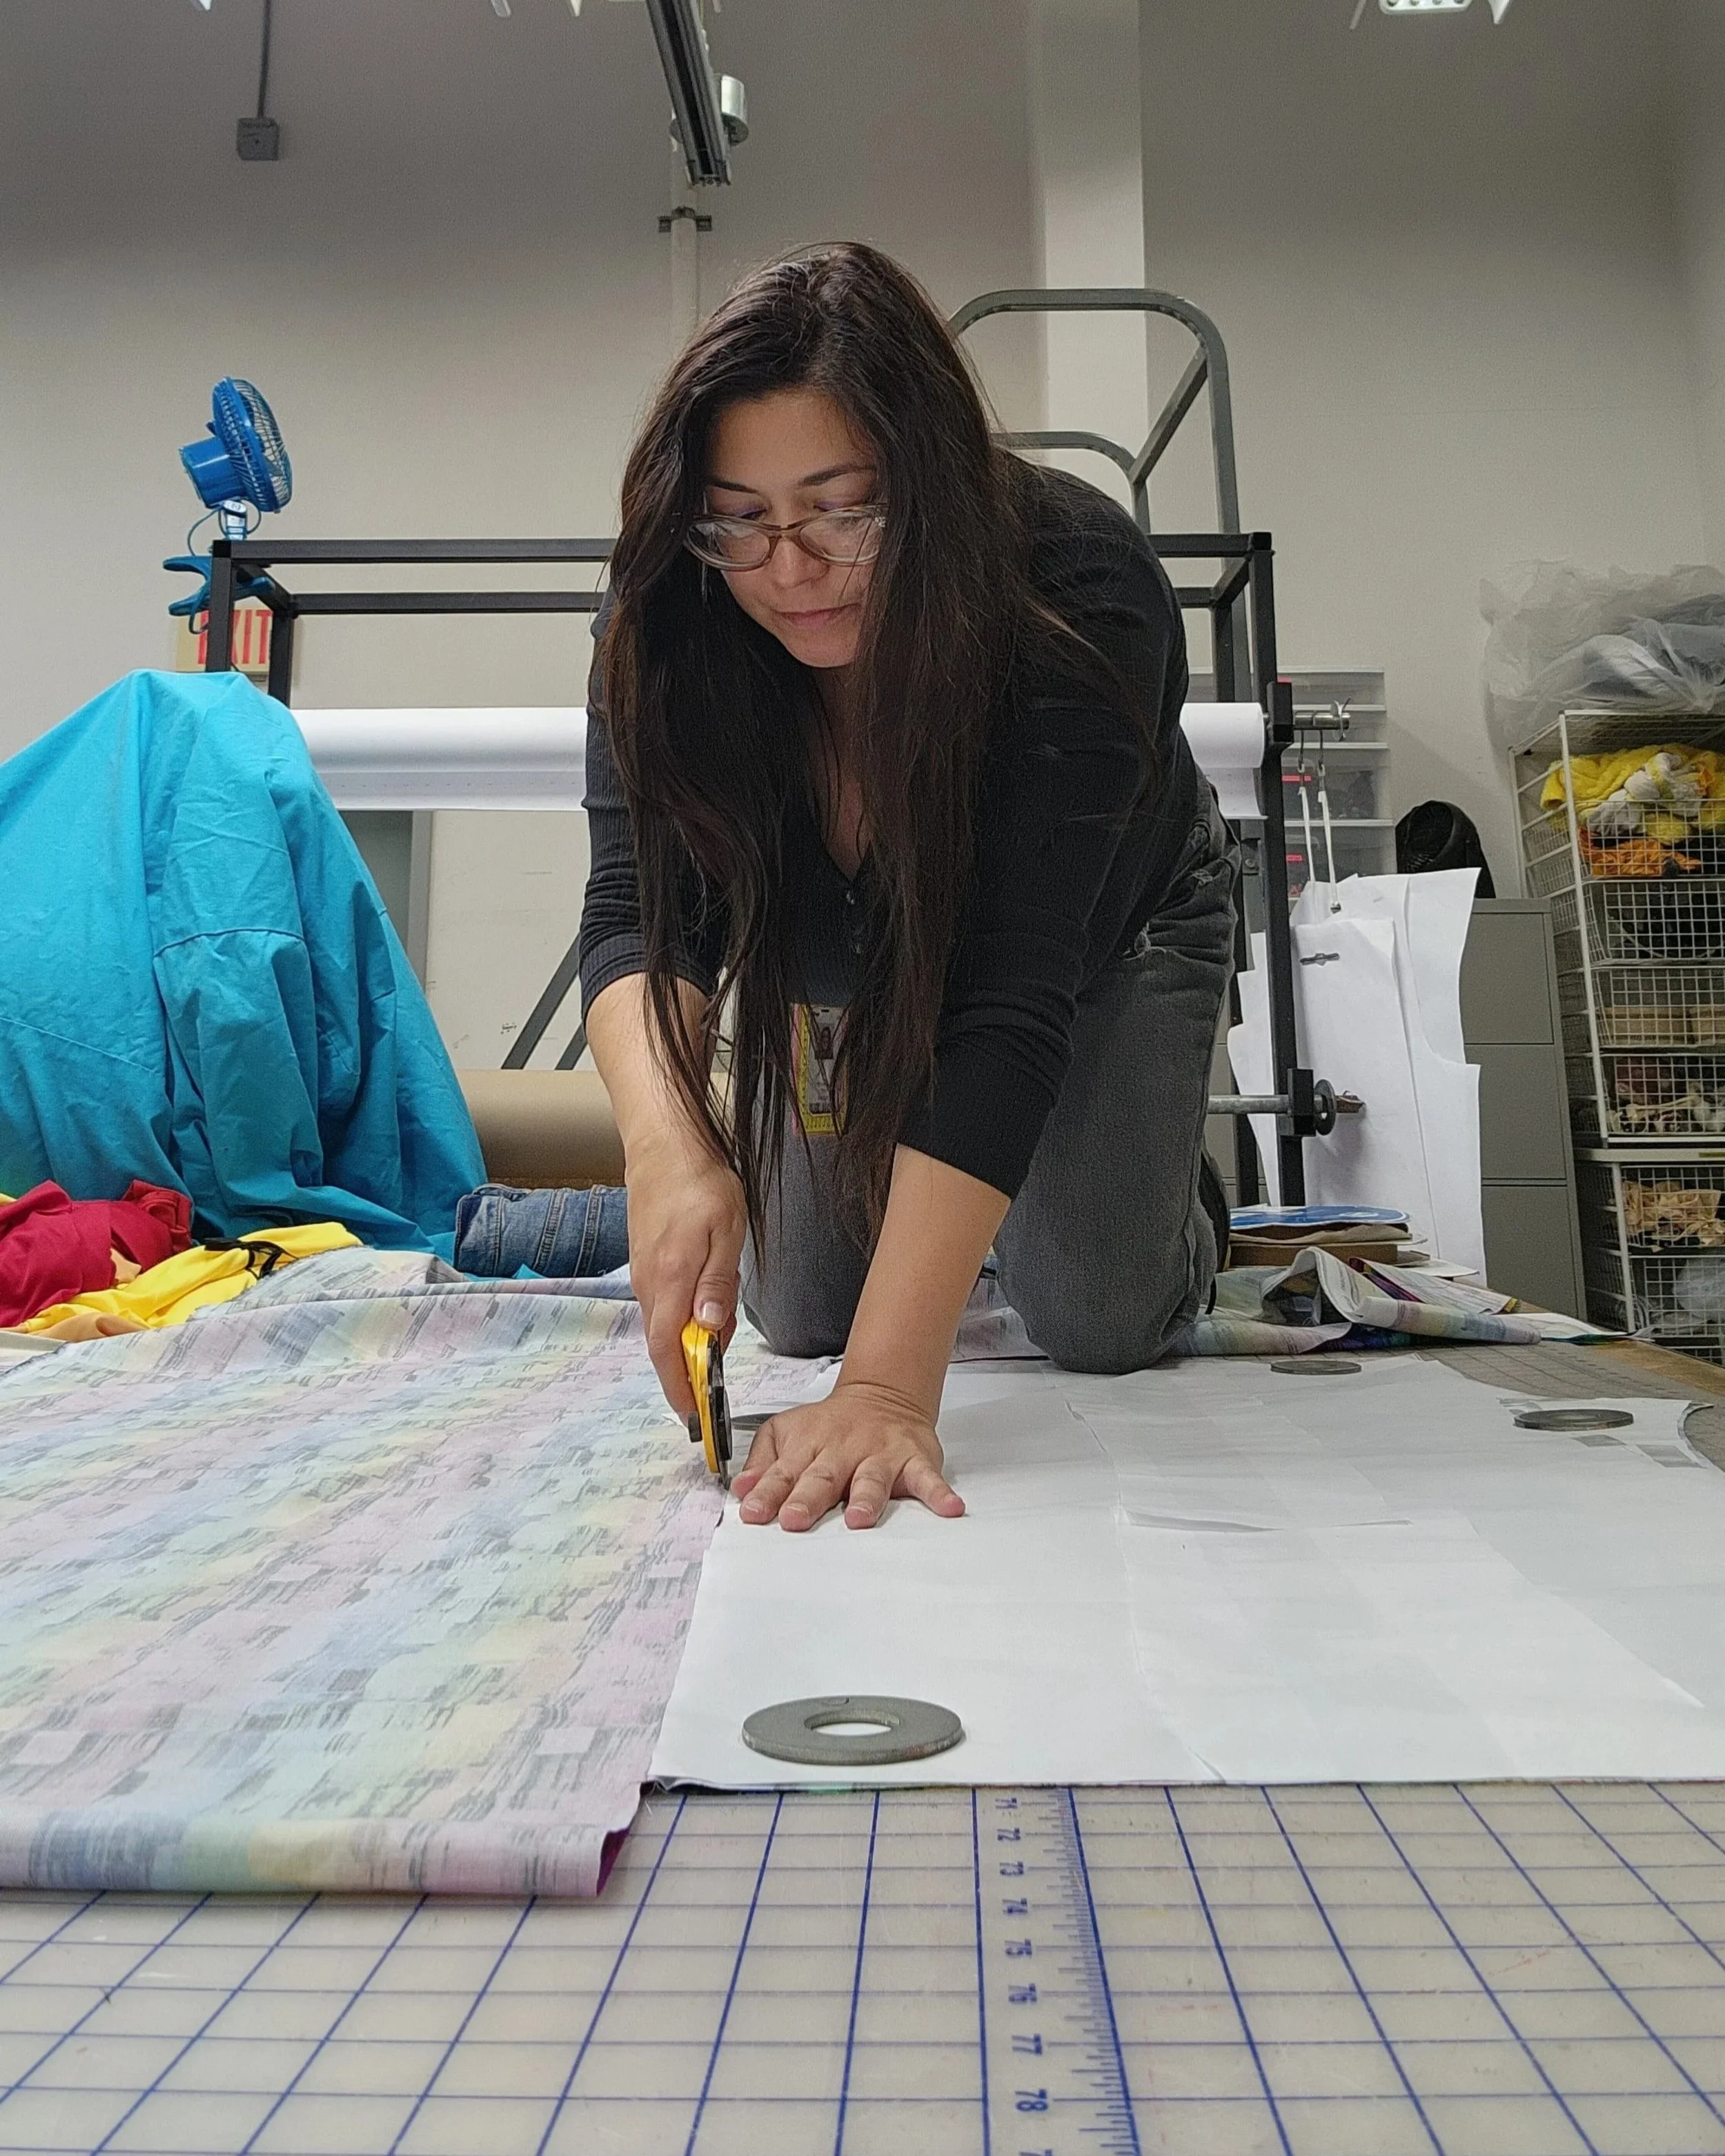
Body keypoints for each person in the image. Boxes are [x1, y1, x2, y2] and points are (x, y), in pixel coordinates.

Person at [579, 242, 1234, 1535]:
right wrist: (670, 1154)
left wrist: (889, 1386)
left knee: (1097, 1313)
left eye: (844, 509)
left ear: (932, 483)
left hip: (1101, 935)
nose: (789, 569)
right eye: (743, 518)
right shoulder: (669, 600)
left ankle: (1165, 1186)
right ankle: (971, 1191)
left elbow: (1006, 998)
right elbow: (632, 915)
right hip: (842, 950)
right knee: (798, 1309)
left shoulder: (1078, 585)